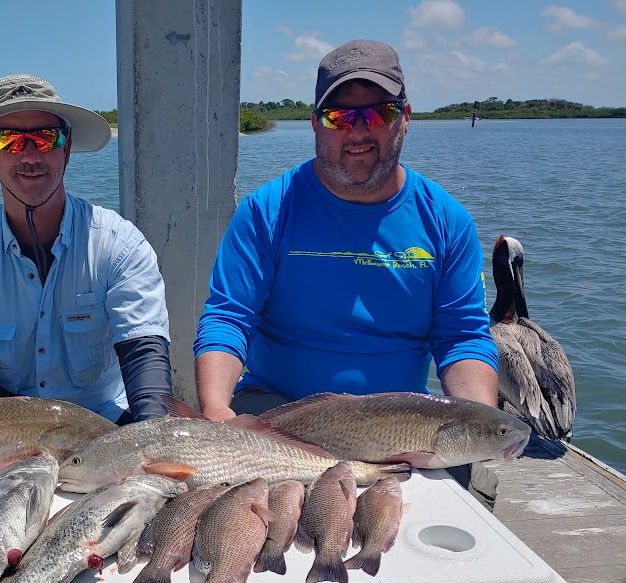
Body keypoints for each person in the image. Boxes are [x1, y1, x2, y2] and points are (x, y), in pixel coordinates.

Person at [193, 40, 501, 509]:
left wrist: (479, 425)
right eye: (339, 117)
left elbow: (462, 337)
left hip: (402, 423)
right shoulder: (266, 211)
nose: (358, 132)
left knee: (464, 524)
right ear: (316, 122)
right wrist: (217, 412)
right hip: (277, 412)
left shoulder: (446, 220)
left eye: (377, 114)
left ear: (405, 116)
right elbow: (228, 318)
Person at [0, 74, 172, 431]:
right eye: (8, 139)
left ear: (66, 148)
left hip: (99, 420)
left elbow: (143, 353)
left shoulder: (120, 246)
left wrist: (154, 435)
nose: (29, 155)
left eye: (45, 138)